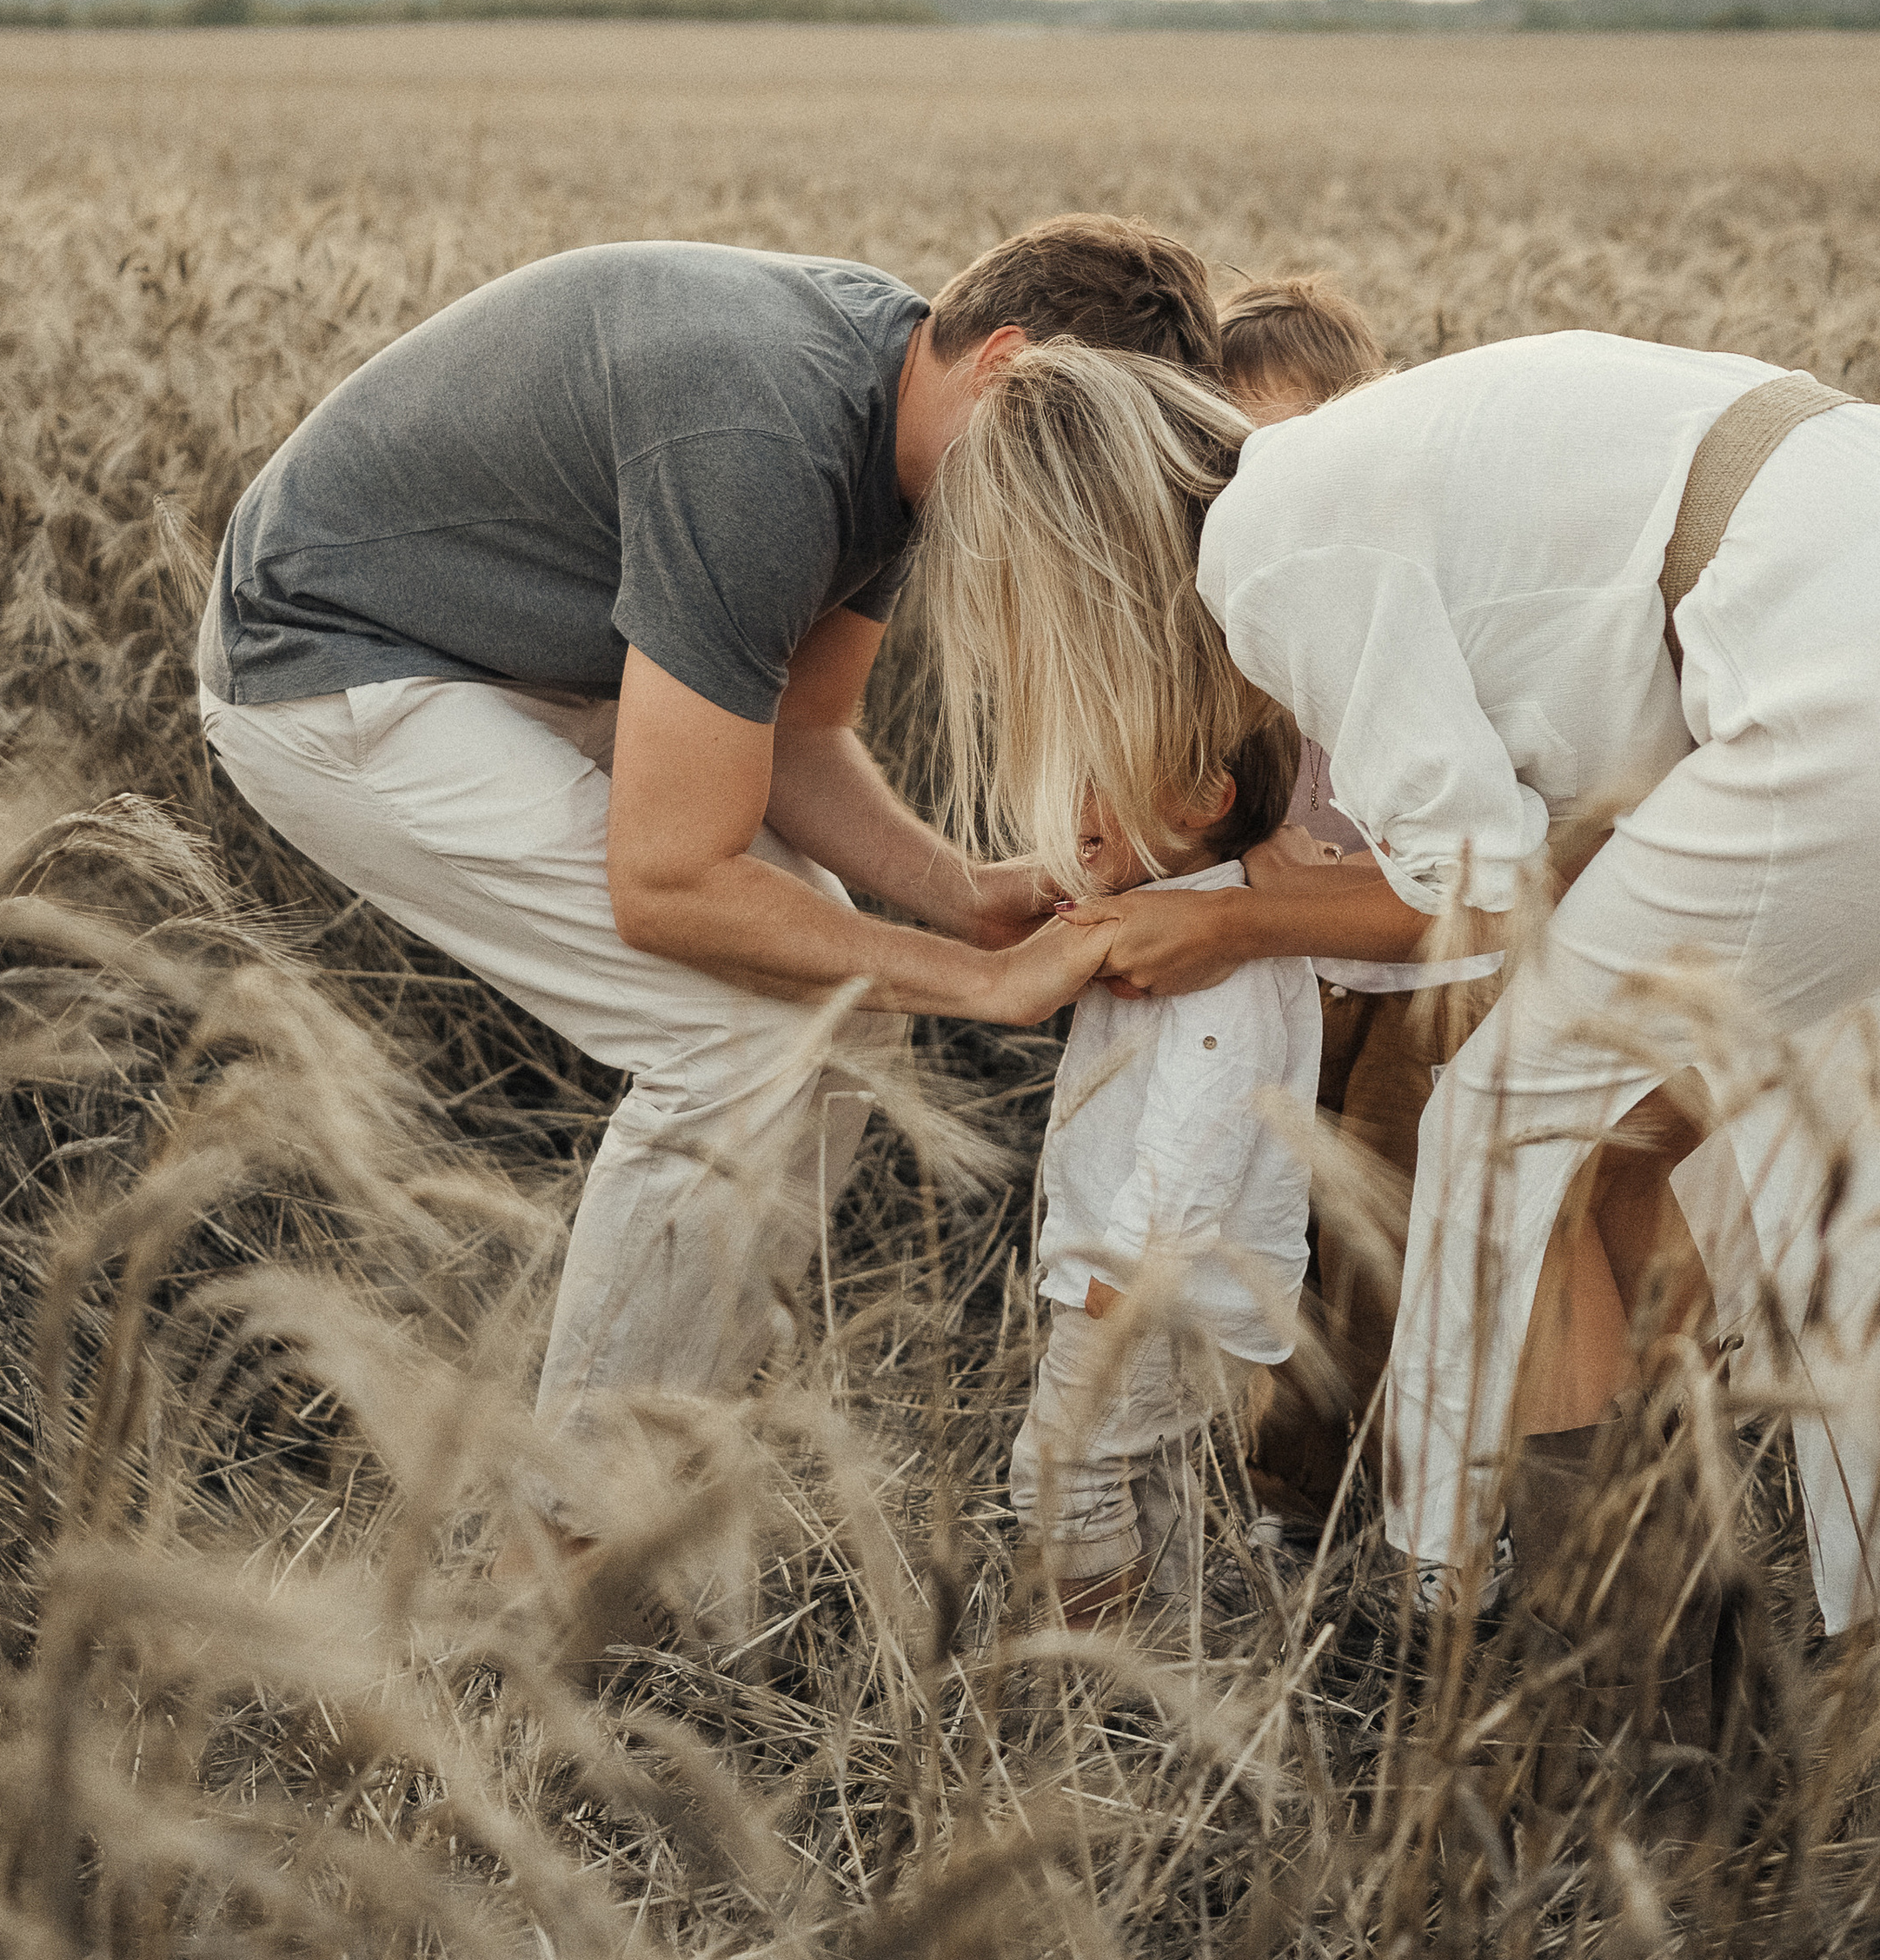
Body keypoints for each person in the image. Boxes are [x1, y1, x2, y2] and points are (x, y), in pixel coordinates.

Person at [920, 321, 1880, 1653]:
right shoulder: (1336, 471)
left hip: (1822, 676)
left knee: (1501, 1124)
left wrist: (1233, 920)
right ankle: (1758, 1677)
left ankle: (1489, 1624)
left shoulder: (1268, 546)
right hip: (1832, 578)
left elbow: (1485, 887)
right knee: (1816, 1186)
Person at [196, 218, 1209, 1482]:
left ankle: (678, 1445)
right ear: (1005, 366)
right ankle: (576, 1533)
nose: (1068, 517)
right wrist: (983, 982)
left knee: (849, 1019)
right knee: (728, 1034)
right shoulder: (767, 435)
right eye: (1070, 459)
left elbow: (796, 724)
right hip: (335, 668)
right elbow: (669, 882)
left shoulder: (913, 432)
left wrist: (962, 895)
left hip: (523, 660)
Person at [1214, 279, 1504, 1518]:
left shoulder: (1443, 589)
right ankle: (1283, 1491)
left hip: (1431, 989)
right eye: (1237, 453)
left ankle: (1412, 1504)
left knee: (1392, 1251)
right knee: (1263, 1228)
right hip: (1283, 971)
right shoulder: (1233, 598)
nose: (1272, 480)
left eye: (1300, 441)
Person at [1011, 712, 1318, 1629]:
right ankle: (1177, 1671)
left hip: (1152, 1280)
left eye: (1099, 779)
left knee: (1062, 1478)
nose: (1071, 804)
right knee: (1149, 1479)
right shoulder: (1169, 923)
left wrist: (1124, 1280)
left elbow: (1200, 1136)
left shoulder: (1215, 963)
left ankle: (1092, 1696)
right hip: (1157, 1277)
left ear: (1201, 802)